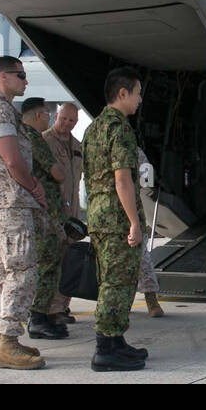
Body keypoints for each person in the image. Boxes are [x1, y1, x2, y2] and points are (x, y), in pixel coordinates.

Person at [0, 56, 48, 369]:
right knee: (22, 270)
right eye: (20, 75)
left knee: (4, 271)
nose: (25, 81)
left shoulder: (2, 109)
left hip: (6, 201)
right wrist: (33, 186)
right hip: (10, 201)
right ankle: (8, 341)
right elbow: (10, 157)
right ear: (2, 77)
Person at [81, 67, 150, 371]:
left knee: (112, 279)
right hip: (117, 218)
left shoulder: (93, 128)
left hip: (98, 215)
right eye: (137, 94)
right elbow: (122, 178)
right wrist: (134, 221)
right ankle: (105, 349)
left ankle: (115, 340)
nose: (139, 100)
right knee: (117, 283)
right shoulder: (119, 128)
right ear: (122, 93)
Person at [20, 97, 69, 340]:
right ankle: (39, 317)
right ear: (39, 115)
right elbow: (56, 173)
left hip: (33, 211)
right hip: (45, 213)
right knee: (48, 264)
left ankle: (41, 315)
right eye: (48, 115)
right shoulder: (34, 138)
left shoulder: (18, 136)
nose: (49, 119)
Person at [43, 102, 83, 323]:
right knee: (51, 259)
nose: (67, 124)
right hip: (52, 210)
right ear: (56, 116)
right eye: (64, 119)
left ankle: (61, 306)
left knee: (69, 259)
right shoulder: (44, 141)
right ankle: (48, 308)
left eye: (72, 121)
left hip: (73, 211)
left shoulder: (77, 145)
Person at [135, 147, 166, 317]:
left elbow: (147, 177)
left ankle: (151, 299)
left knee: (142, 258)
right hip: (105, 213)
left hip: (129, 209)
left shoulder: (132, 149)